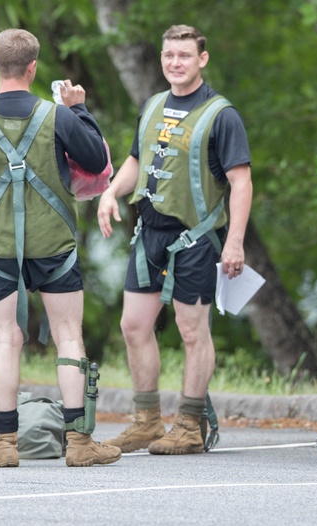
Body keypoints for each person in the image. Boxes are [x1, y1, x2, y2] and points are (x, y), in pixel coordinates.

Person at [0, 28, 120, 468]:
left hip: (2, 250)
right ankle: (79, 444)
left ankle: (5, 445)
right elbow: (98, 164)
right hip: (55, 246)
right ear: (33, 68)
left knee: (8, 337)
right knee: (68, 337)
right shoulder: (57, 117)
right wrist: (79, 110)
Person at [97, 24, 252, 455]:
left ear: (202, 59)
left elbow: (242, 182)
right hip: (149, 236)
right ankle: (147, 421)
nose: (175, 63)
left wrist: (234, 242)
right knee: (133, 326)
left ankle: (188, 424)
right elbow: (135, 160)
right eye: (169, 56)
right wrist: (111, 192)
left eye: (184, 56)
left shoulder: (222, 114)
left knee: (191, 330)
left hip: (196, 240)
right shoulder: (152, 106)